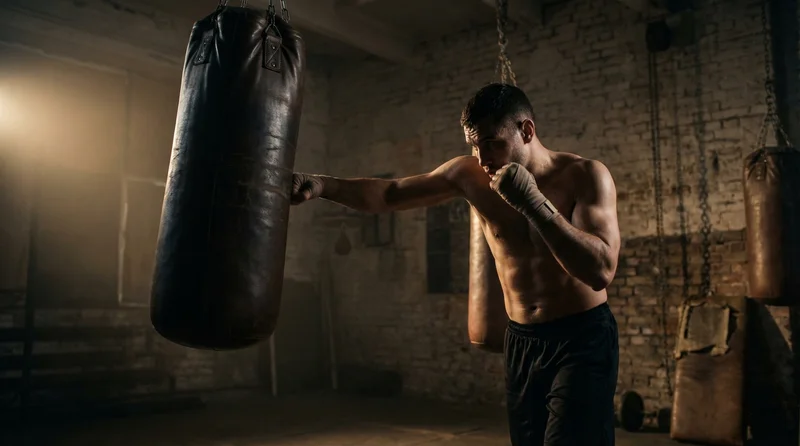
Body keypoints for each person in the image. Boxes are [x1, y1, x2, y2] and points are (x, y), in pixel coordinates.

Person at [290, 83, 621, 446]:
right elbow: (390, 193)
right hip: (522, 340)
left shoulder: (584, 175)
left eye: (492, 143)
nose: (483, 158)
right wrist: (322, 185)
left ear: (526, 131)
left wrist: (534, 204)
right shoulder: (470, 176)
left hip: (581, 337)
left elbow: (600, 270)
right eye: (474, 145)